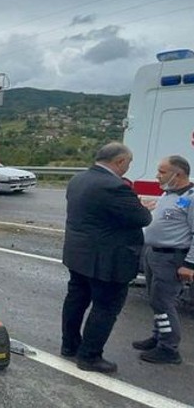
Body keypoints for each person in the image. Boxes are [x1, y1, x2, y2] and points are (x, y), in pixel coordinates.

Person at [61, 142, 152, 374]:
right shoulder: (115, 186)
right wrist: (143, 206)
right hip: (106, 260)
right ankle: (90, 356)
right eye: (128, 163)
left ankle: (70, 345)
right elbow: (142, 218)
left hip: (78, 255)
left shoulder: (78, 180)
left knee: (76, 300)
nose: (128, 167)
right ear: (119, 161)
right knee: (106, 307)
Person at [132, 155, 194, 364]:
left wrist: (189, 264)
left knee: (163, 302)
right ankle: (159, 336)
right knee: (155, 299)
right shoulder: (169, 194)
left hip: (171, 257)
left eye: (162, 171)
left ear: (178, 174)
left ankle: (169, 348)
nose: (157, 176)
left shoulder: (191, 198)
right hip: (154, 253)